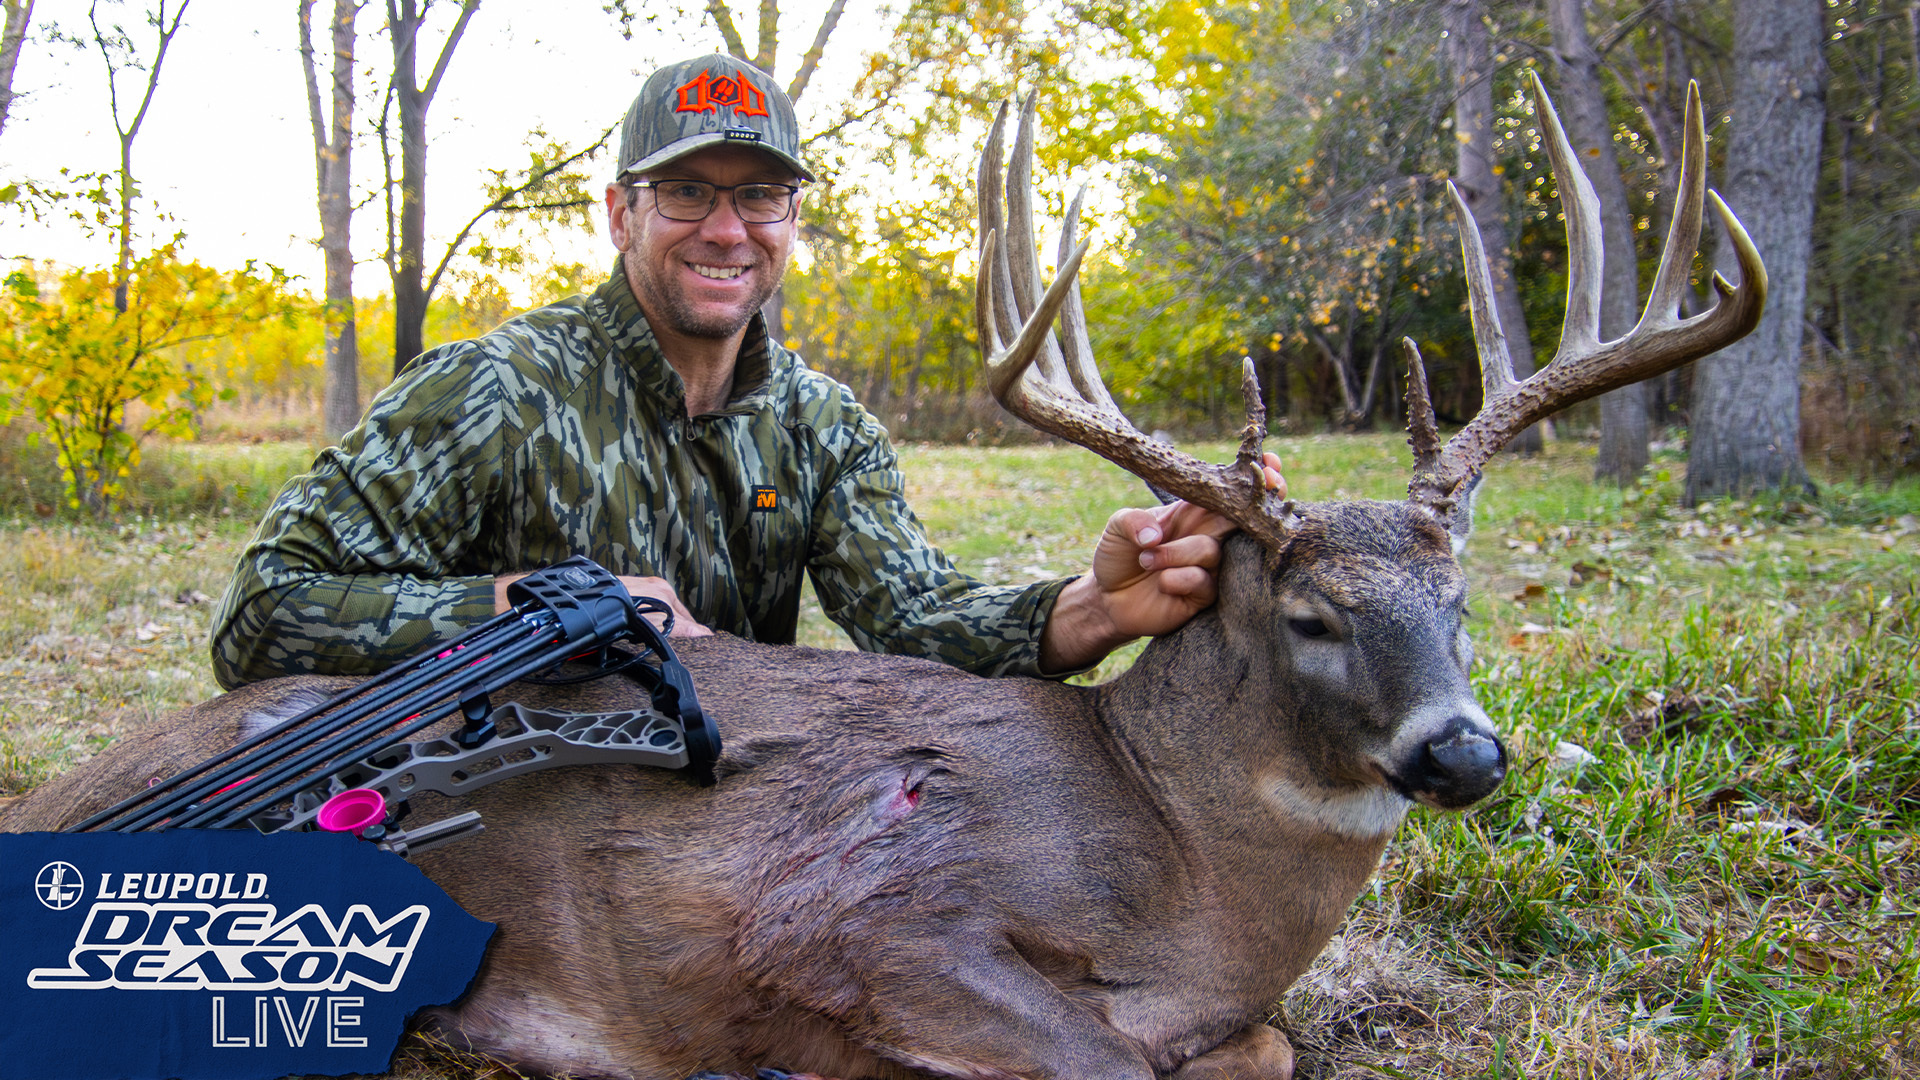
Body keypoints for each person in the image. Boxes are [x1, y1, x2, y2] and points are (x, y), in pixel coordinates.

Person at [209, 54, 1284, 691]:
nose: (726, 230)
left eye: (759, 195)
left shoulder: (823, 426)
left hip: (722, 812)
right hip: (507, 813)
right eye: (687, 192)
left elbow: (911, 619)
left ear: (792, 220)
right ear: (621, 212)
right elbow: (264, 613)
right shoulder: (496, 391)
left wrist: (1096, 607)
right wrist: (543, 612)